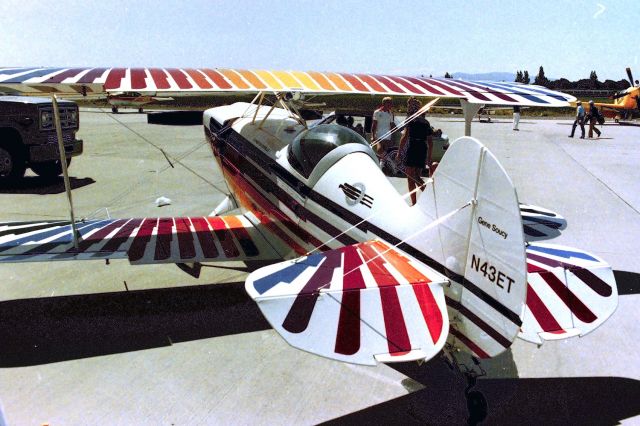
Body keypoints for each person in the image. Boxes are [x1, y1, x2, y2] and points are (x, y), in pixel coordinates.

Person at [396, 97, 432, 206]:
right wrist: (429, 157)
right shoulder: (426, 122)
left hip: (413, 147)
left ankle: (416, 202)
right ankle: (426, 198)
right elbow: (430, 141)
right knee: (416, 176)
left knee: (411, 177)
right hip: (422, 148)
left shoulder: (411, 120)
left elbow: (405, 137)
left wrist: (399, 152)